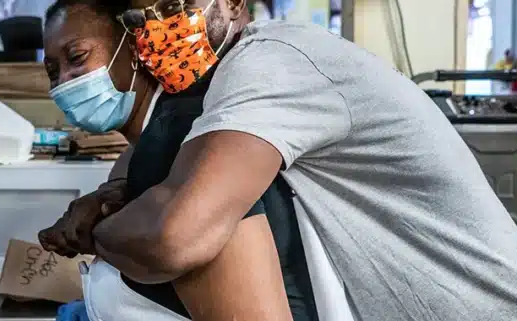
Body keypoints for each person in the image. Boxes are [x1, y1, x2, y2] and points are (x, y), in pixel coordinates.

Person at [45, 0, 517, 320]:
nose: (157, 28)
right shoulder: (209, 94)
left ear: (232, 2)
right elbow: (146, 164)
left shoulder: (268, 64)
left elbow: (175, 237)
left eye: (174, 6)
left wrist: (96, 234)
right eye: (137, 18)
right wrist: (113, 197)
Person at [40, 1, 316, 320]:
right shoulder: (148, 146)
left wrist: (97, 230)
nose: (65, 82)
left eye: (77, 57)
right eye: (52, 72)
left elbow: (175, 243)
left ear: (132, 49)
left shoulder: (183, 133)